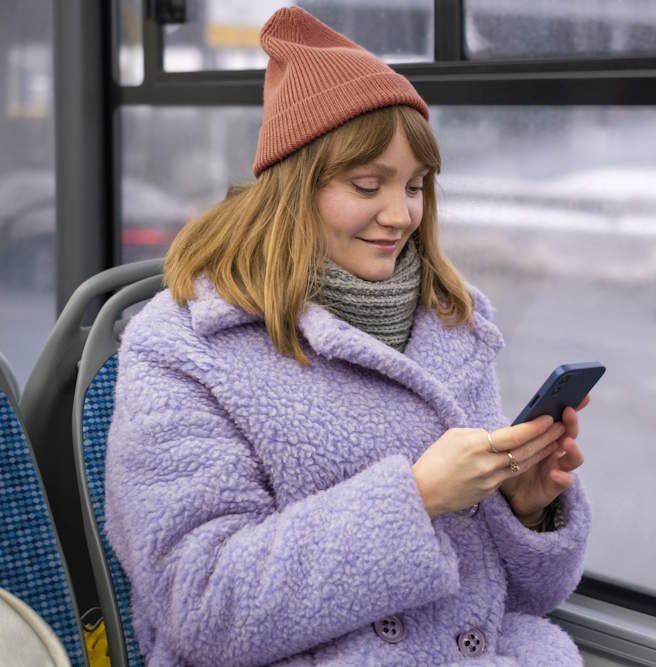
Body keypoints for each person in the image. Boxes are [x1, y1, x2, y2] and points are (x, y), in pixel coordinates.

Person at [104, 7, 591, 666]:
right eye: (368, 185)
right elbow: (203, 603)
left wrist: (526, 508)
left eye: (416, 187)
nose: (401, 215)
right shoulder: (185, 347)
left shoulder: (450, 322)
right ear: (293, 188)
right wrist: (416, 500)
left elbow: (526, 598)